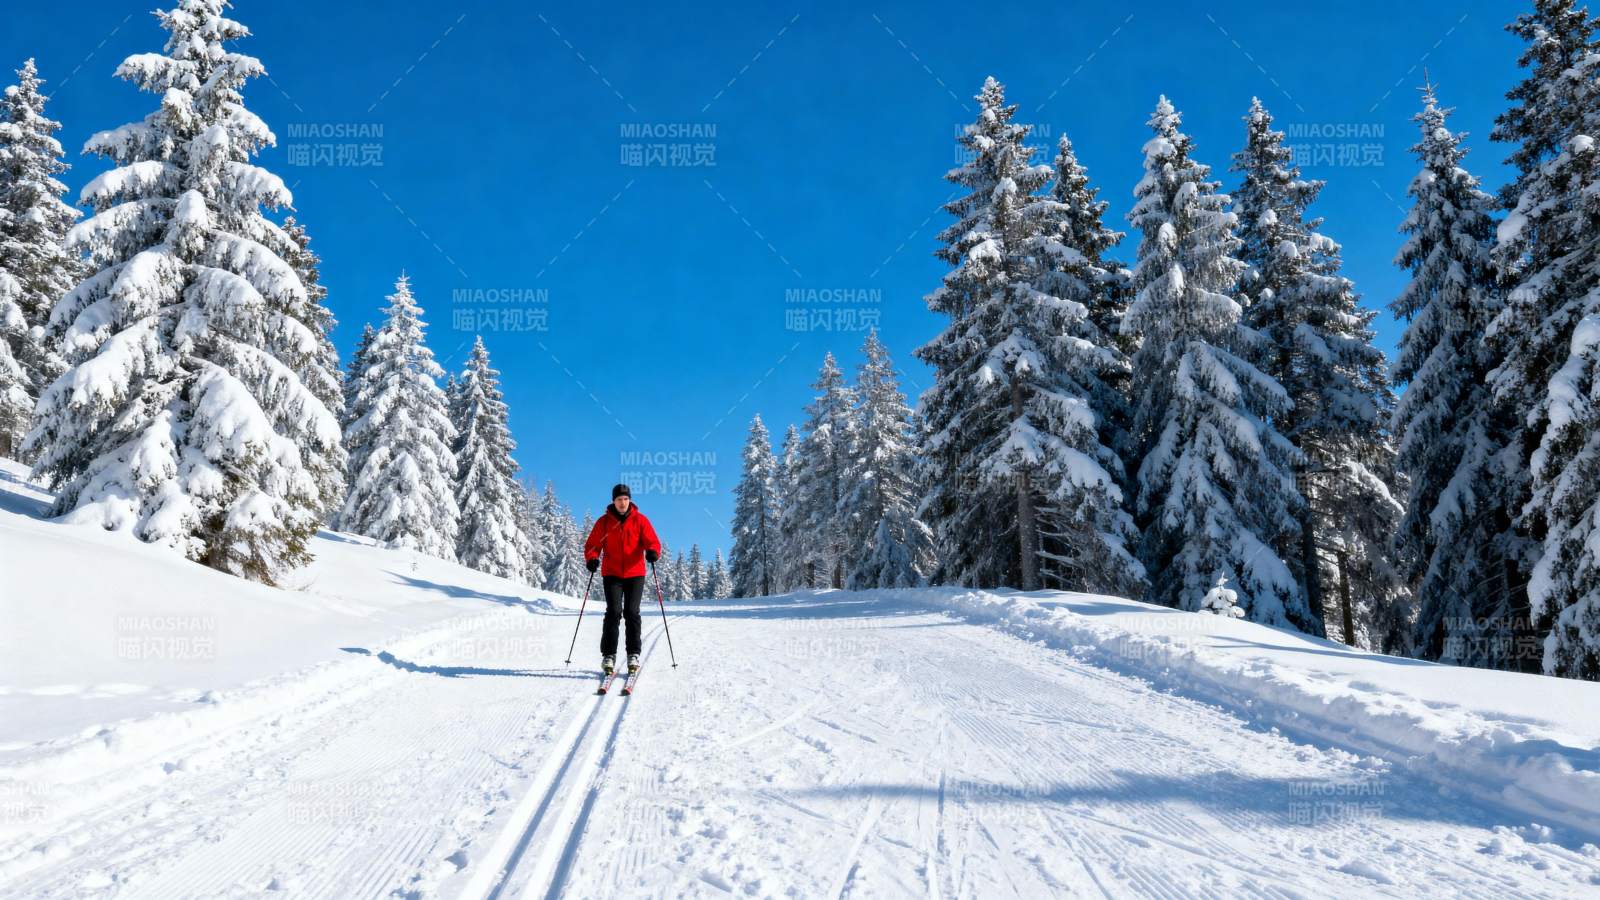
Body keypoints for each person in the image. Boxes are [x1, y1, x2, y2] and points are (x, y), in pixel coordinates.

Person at [584, 483, 662, 675]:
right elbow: (593, 545)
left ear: (630, 500)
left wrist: (653, 551)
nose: (622, 503)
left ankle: (633, 654)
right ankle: (608, 655)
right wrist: (592, 558)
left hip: (635, 574)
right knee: (613, 612)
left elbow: (652, 541)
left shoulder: (640, 520)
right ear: (613, 501)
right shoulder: (604, 522)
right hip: (612, 574)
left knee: (632, 612)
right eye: (619, 499)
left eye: (626, 499)